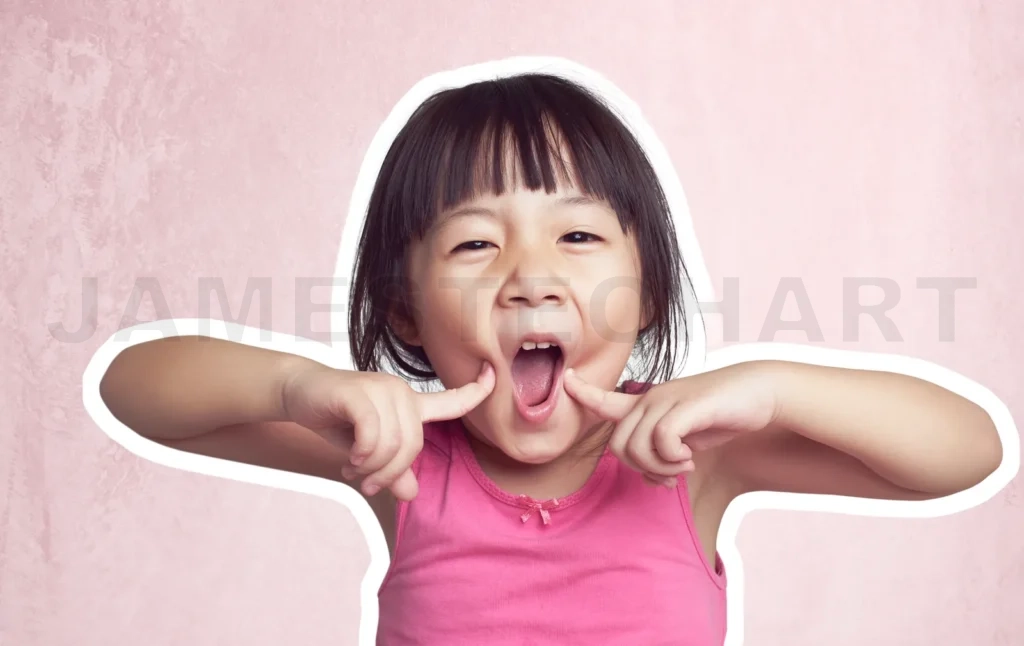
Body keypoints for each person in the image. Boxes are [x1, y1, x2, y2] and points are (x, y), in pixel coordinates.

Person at [99, 73, 1002, 645]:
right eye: (473, 247)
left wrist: (774, 391)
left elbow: (964, 452)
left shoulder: (697, 460)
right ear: (405, 313)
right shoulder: (400, 460)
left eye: (576, 234)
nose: (531, 277)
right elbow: (133, 388)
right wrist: (302, 388)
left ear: (645, 295)